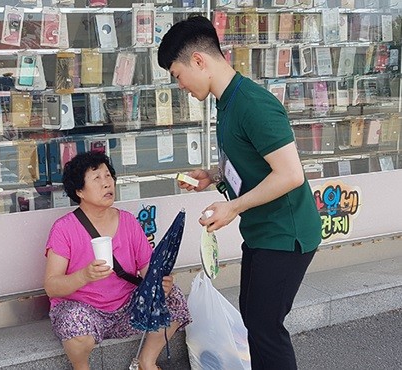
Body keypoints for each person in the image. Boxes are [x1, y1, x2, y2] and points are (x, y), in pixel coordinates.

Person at [158, 16, 321, 370]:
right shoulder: (226, 102)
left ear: (199, 61)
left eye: (177, 75)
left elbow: (291, 174)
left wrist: (233, 206)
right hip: (263, 231)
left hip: (286, 234)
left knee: (266, 328)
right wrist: (211, 176)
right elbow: (250, 162)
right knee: (255, 320)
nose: (180, 85)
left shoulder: (253, 103)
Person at [44, 152, 191, 370]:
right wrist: (84, 275)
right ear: (79, 191)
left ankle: (147, 362)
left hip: (126, 308)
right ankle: (81, 367)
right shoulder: (64, 228)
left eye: (108, 176)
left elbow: (147, 269)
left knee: (175, 297)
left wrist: (160, 282)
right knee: (74, 321)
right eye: (97, 179)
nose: (106, 184)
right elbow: (52, 287)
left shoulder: (128, 221)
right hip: (85, 309)